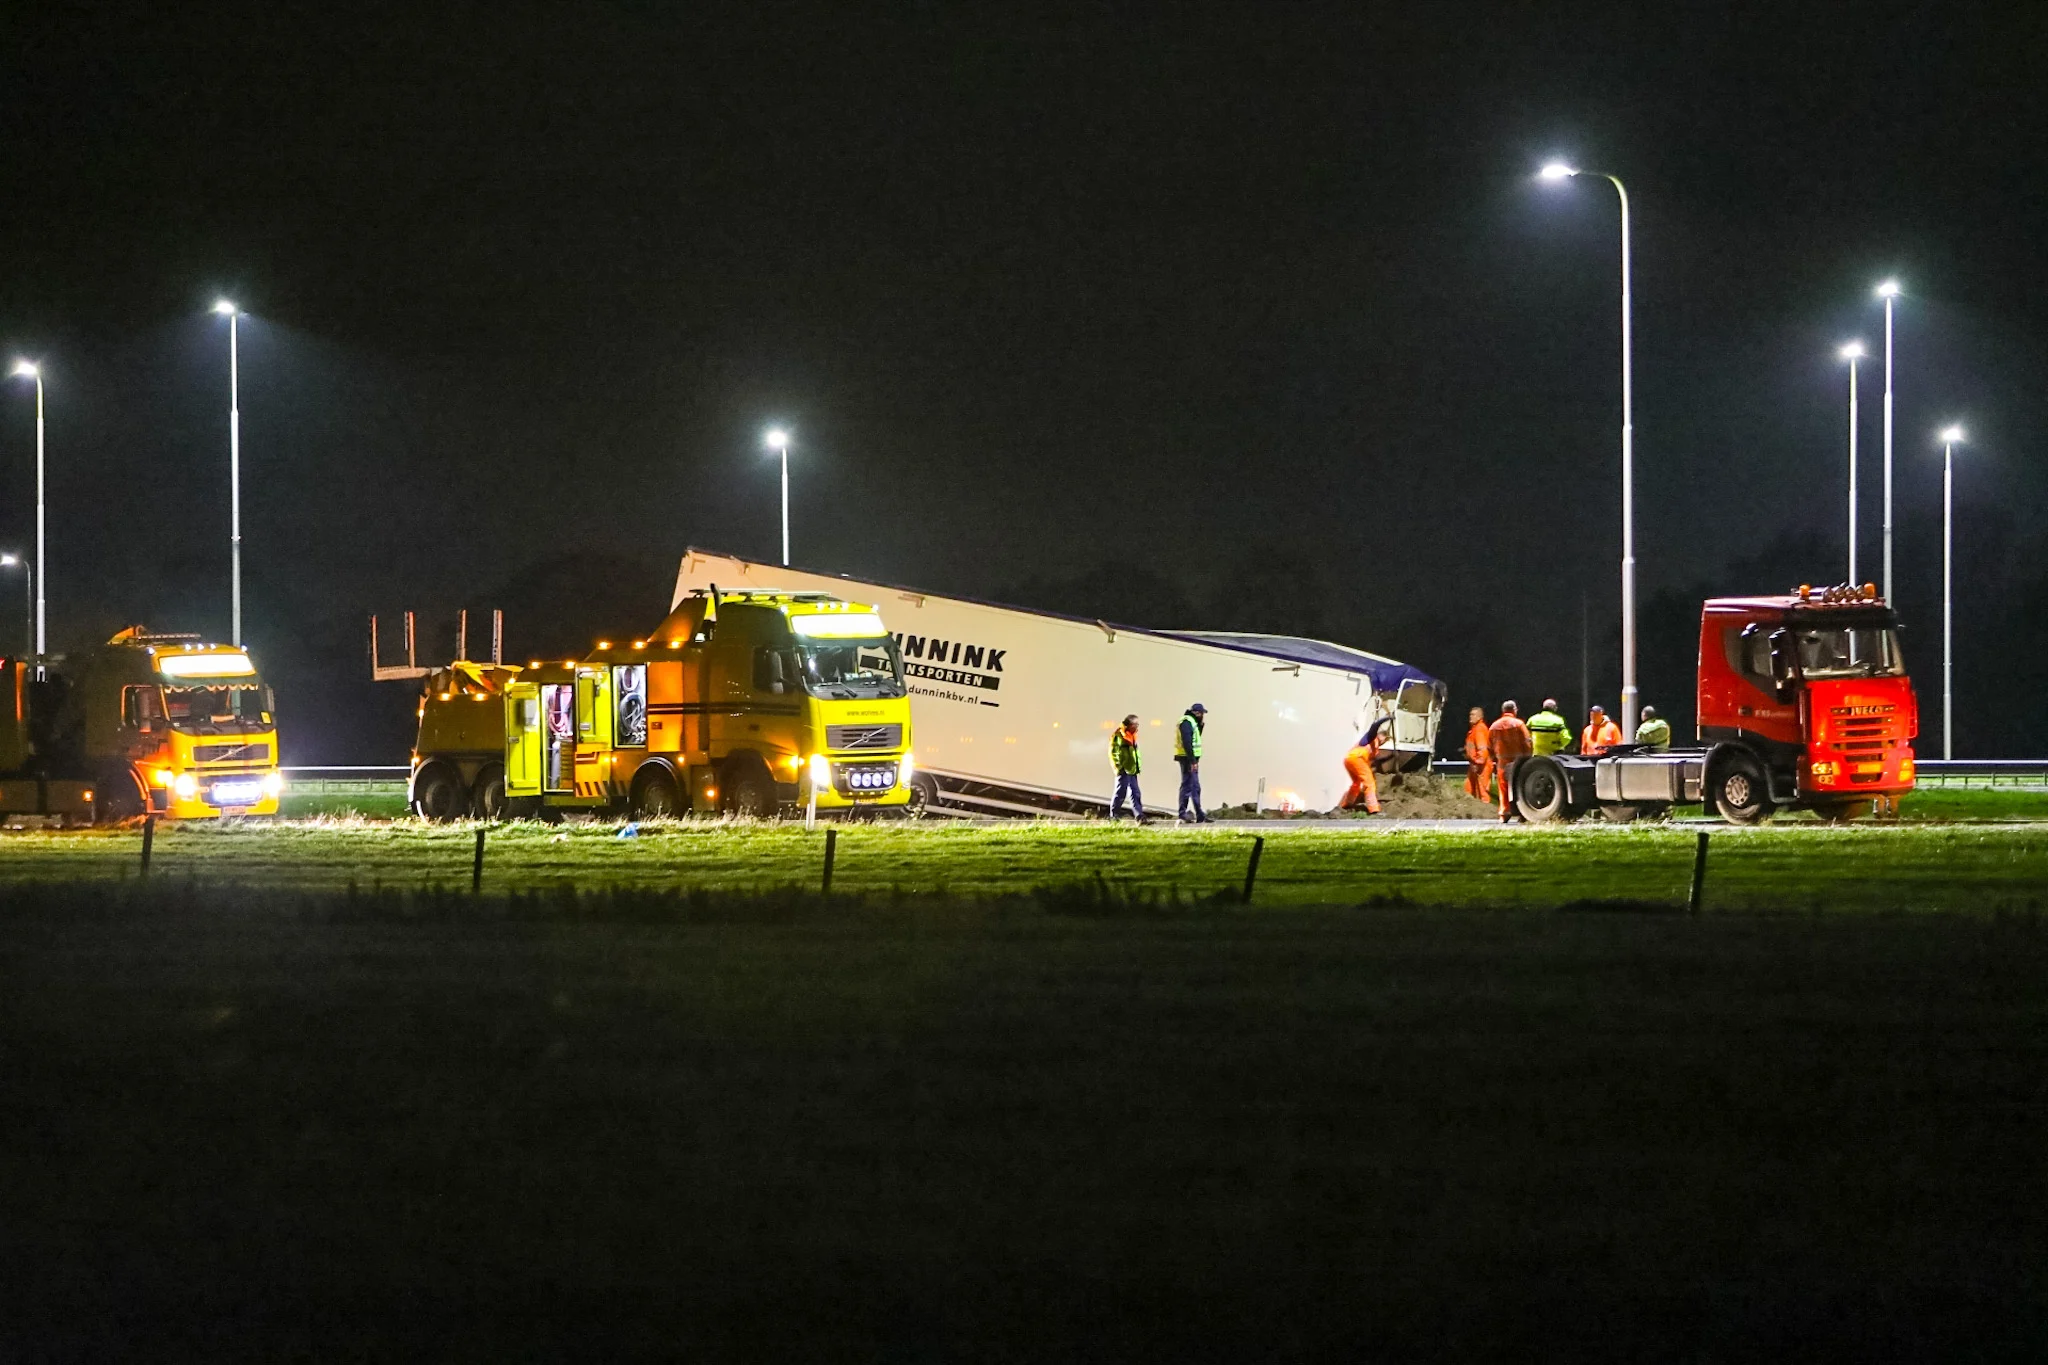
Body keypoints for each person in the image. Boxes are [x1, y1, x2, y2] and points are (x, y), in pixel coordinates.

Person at [1488, 700, 1533, 822]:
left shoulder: (1494, 726)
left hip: (1502, 763)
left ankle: (1504, 813)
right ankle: (1523, 814)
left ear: (1503, 711)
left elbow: (1489, 747)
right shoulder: (1519, 724)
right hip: (1519, 762)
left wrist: (1493, 760)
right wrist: (1529, 757)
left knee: (1503, 789)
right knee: (1520, 787)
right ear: (1514, 710)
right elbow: (1527, 742)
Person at [1339, 718, 1387, 814]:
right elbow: (1374, 726)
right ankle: (1373, 809)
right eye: (1385, 738)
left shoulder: (1375, 748)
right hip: (1357, 758)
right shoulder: (1371, 737)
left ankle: (1347, 804)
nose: (1384, 741)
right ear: (1380, 736)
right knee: (1369, 783)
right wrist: (1386, 719)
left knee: (1356, 782)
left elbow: (1378, 760)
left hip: (1349, 759)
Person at [1175, 702, 1209, 823]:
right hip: (1187, 759)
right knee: (1188, 786)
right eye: (1201, 713)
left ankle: (1199, 814)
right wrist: (1193, 761)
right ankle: (1183, 813)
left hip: (1190, 759)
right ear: (1196, 713)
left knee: (1194, 787)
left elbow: (1195, 738)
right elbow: (1187, 743)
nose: (1203, 716)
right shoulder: (1187, 722)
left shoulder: (1192, 722)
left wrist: (1200, 726)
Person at [1108, 714, 1144, 821]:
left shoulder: (1132, 734)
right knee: (1120, 793)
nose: (1137, 726)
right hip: (1124, 770)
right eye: (1135, 724)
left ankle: (1139, 816)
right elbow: (1113, 753)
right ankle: (1114, 815)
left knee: (1135, 793)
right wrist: (1118, 768)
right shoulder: (1118, 735)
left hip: (1132, 769)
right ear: (1130, 724)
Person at [1462, 705, 1493, 802]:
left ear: (1480, 717)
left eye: (1473, 715)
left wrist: (1477, 763)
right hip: (1475, 764)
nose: (1470, 717)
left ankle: (1486, 814)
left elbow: (1482, 748)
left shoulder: (1479, 729)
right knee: (1469, 790)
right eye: (1470, 715)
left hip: (1481, 766)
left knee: (1482, 792)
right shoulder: (1474, 730)